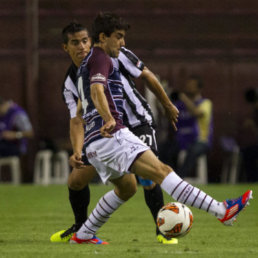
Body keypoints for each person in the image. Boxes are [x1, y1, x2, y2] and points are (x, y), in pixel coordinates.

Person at [69, 12, 252, 245]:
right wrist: (108, 118)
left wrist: (95, 123)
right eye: (119, 37)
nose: (123, 43)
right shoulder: (101, 57)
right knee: (162, 172)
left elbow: (79, 110)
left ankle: (83, 235)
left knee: (126, 189)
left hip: (95, 144)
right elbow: (96, 91)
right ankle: (221, 211)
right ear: (103, 37)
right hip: (112, 136)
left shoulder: (85, 64)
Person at [50, 21, 178, 244]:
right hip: (104, 134)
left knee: (149, 176)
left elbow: (146, 75)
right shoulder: (70, 83)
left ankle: (163, 229)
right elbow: (76, 119)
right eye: (74, 43)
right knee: (76, 181)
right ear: (65, 48)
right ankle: (82, 229)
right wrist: (77, 151)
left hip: (136, 123)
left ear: (92, 41)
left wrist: (166, 105)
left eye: (84, 41)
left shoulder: (112, 54)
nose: (81, 47)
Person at [169, 75, 213, 178]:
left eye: (192, 86)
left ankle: (179, 179)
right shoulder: (180, 104)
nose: (188, 88)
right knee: (167, 150)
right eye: (187, 85)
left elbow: (197, 113)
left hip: (201, 141)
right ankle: (168, 178)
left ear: (199, 89)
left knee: (192, 152)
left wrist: (183, 98)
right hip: (182, 140)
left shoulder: (205, 103)